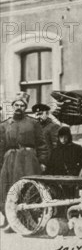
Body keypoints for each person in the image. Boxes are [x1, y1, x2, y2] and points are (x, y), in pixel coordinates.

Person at [0, 93, 49, 227]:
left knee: (28, 189)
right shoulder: (5, 125)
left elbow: (41, 144)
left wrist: (43, 161)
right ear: (12, 106)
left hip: (28, 161)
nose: (19, 107)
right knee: (7, 188)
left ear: (25, 107)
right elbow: (1, 146)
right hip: (10, 160)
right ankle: (9, 219)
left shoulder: (33, 123)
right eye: (16, 105)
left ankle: (28, 219)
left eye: (22, 105)